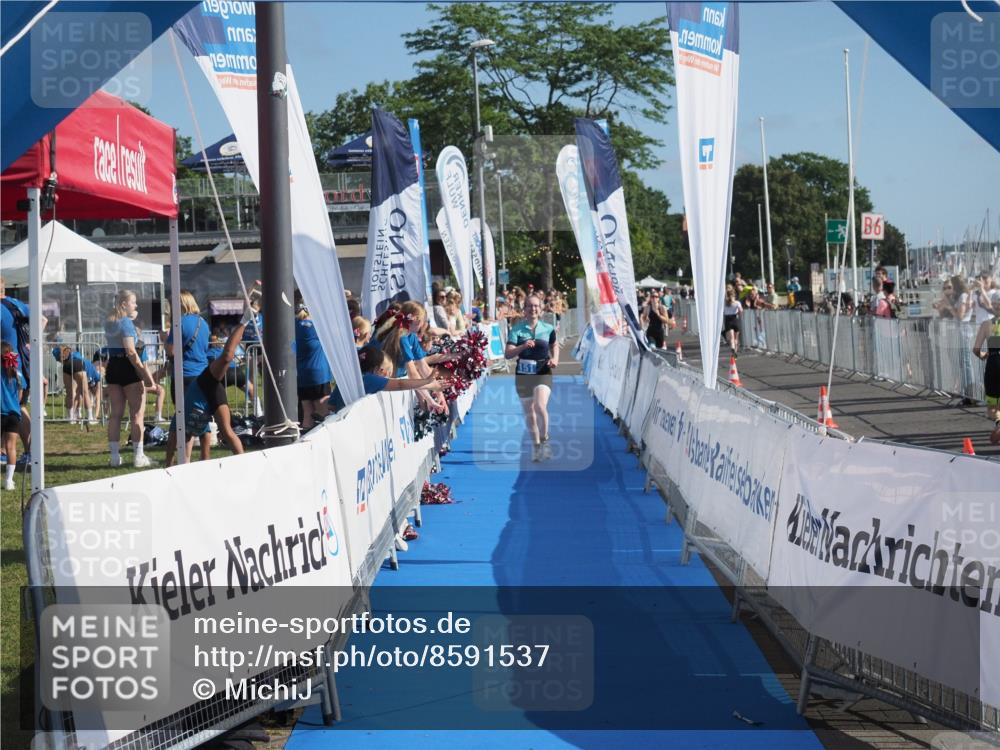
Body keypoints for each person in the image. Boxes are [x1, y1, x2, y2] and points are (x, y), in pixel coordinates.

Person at [165, 310, 255, 467]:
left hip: (205, 383)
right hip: (202, 388)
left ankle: (244, 466)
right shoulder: (180, 425)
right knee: (221, 432)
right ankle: (201, 464)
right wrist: (168, 466)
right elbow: (172, 450)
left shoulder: (180, 422)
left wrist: (167, 464)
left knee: (226, 431)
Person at [104, 290, 155, 468]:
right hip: (128, 369)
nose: (136, 305)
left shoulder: (109, 321)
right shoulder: (125, 322)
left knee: (115, 415)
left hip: (113, 369)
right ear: (124, 304)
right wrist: (144, 373)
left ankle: (114, 457)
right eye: (133, 302)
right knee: (136, 415)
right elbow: (131, 351)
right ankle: (138, 456)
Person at [505, 294, 559, 462]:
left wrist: (555, 358)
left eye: (536, 306)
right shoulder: (517, 329)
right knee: (529, 412)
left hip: (543, 371)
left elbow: (554, 345)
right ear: (524, 310)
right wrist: (522, 346)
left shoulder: (548, 328)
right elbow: (508, 354)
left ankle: (545, 440)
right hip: (524, 373)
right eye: (530, 306)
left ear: (540, 309)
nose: (533, 309)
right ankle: (536, 446)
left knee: (540, 406)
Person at [164, 291, 212, 460]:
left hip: (184, 375)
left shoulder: (179, 324)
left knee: (181, 421)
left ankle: (178, 461)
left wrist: (165, 341)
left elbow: (171, 351)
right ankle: (202, 459)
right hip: (203, 375)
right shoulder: (203, 323)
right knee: (202, 418)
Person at [295, 304, 332, 431]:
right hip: (319, 375)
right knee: (324, 413)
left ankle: (305, 443)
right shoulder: (317, 328)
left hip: (302, 375)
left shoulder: (294, 325)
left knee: (307, 412)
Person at [357, 345, 445, 395]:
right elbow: (400, 384)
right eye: (387, 374)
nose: (387, 378)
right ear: (380, 370)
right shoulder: (369, 380)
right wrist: (427, 381)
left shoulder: (356, 354)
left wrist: (431, 386)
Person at [972, 297, 1000, 444]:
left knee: (993, 406)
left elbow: (976, 349)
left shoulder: (987, 324)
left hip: (993, 363)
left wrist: (983, 355)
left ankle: (998, 423)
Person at [2, 345, 25, 490]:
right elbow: (21, 395)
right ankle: (9, 481)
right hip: (14, 414)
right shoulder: (17, 372)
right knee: (11, 447)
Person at [54, 346, 94, 424]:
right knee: (85, 392)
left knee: (69, 393)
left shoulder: (62, 353)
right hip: (78, 364)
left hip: (67, 366)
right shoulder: (76, 353)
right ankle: (90, 418)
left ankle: (70, 418)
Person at [722, 286, 742, 357]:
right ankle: (735, 351)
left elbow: (723, 311)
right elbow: (740, 311)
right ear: (734, 295)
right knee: (736, 338)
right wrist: (738, 314)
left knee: (731, 338)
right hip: (735, 319)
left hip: (728, 320)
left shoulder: (725, 303)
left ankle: (732, 348)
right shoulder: (737, 303)